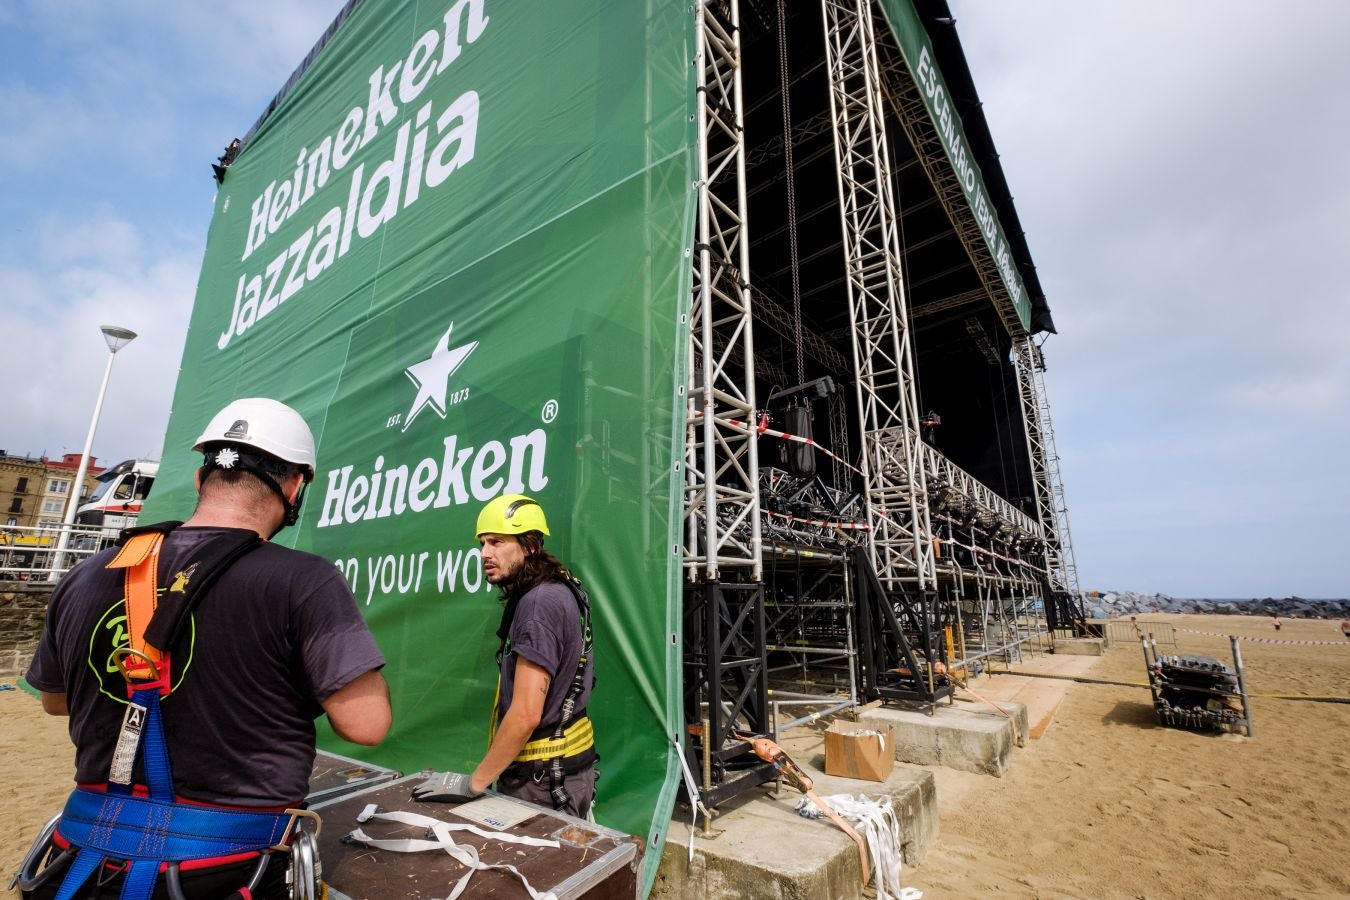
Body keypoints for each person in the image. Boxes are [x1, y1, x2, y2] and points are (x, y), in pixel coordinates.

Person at [20, 397, 391, 899]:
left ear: (201, 479)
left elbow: (55, 701)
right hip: (220, 870)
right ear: (295, 485)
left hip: (80, 862)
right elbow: (366, 725)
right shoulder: (304, 580)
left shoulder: (87, 575)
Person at [462, 494, 597, 818]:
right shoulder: (558, 589)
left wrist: (474, 784)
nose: (484, 553)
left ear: (530, 545)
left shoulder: (538, 605)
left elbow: (526, 714)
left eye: (496, 542)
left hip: (542, 783)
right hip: (565, 772)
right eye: (482, 543)